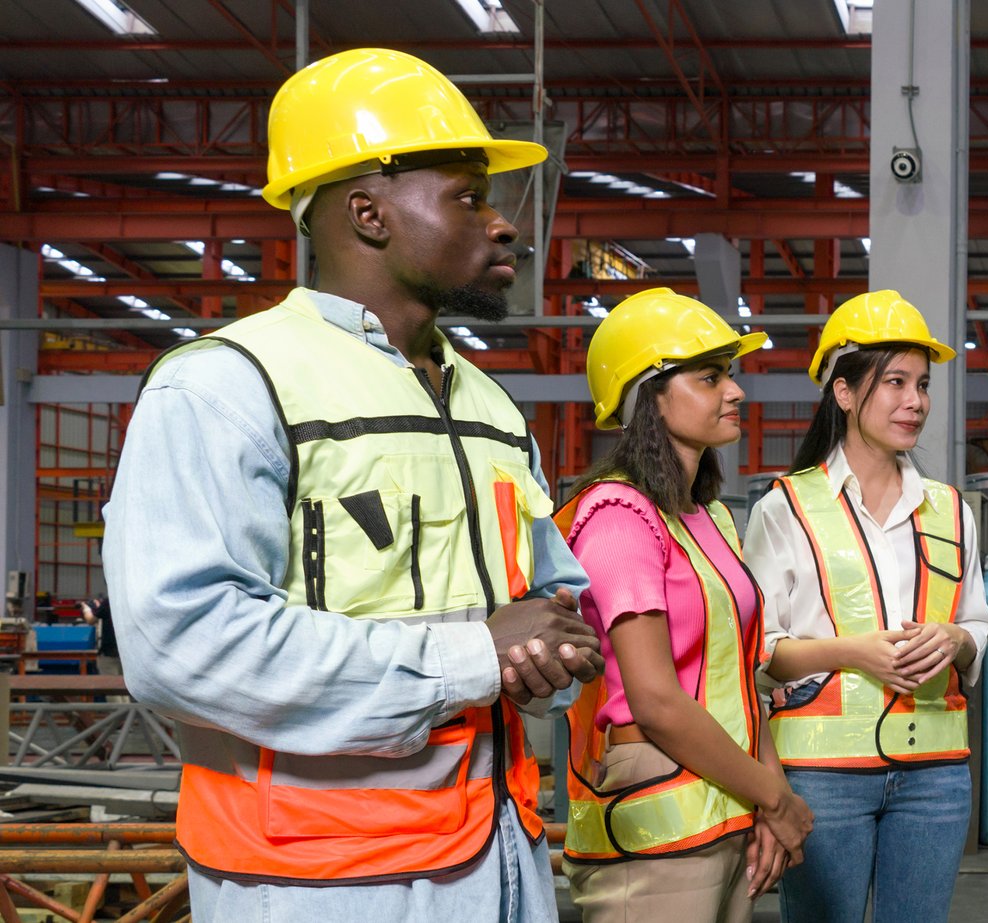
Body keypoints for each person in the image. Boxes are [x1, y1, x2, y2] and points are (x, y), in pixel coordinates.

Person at [103, 48, 601, 922]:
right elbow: (182, 642)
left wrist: (552, 651)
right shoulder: (228, 386)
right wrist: (473, 654)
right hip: (322, 879)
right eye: (468, 195)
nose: (504, 226)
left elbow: (551, 596)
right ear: (368, 213)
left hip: (501, 854)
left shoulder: (486, 401)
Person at [556, 288, 812, 921]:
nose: (736, 392)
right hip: (654, 818)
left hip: (723, 797)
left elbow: (742, 681)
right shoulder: (618, 516)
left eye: (728, 375)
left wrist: (763, 794)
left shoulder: (710, 518)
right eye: (709, 377)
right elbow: (657, 701)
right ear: (650, 395)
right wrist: (774, 798)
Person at [743, 291, 988, 923]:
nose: (915, 401)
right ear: (846, 392)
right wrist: (855, 652)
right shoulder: (786, 508)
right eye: (895, 383)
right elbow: (760, 650)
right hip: (822, 776)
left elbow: (978, 622)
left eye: (922, 385)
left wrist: (953, 640)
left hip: (935, 775)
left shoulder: (949, 508)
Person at [77, 596, 117, 675]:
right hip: (129, 656)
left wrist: (86, 608)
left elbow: (90, 620)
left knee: (109, 684)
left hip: (110, 654)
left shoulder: (110, 601)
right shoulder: (132, 600)